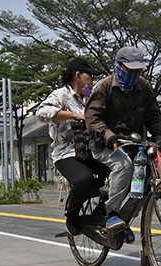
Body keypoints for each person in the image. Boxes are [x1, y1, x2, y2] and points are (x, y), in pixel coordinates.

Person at [85, 46, 161, 237]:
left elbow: (153, 114)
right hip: (105, 145)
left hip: (134, 145)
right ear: (118, 66)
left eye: (137, 71)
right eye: (129, 70)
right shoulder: (104, 87)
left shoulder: (144, 87)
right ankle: (111, 213)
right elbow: (92, 117)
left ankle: (121, 221)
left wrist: (158, 137)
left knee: (148, 181)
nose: (133, 74)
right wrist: (108, 135)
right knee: (123, 166)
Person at [36, 57, 107, 236]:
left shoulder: (90, 98)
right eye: (89, 76)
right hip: (66, 154)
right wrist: (72, 115)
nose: (92, 80)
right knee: (85, 180)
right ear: (78, 76)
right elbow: (42, 112)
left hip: (90, 151)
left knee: (118, 171)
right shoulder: (61, 95)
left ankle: (101, 209)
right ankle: (71, 214)